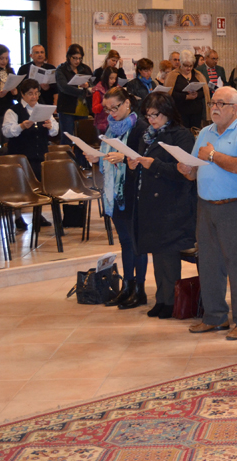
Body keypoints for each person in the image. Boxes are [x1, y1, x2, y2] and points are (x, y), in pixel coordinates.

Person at [178, 87, 237, 340]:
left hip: (236, 207)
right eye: (212, 102)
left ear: (235, 108)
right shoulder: (205, 132)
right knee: (209, 264)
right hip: (206, 207)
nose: (214, 107)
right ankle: (214, 317)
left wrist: (212, 155)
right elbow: (193, 171)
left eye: (221, 103)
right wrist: (185, 168)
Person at [124, 92, 196, 319]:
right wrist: (133, 164)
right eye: (148, 115)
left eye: (155, 115)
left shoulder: (181, 135)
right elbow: (141, 161)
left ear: (167, 113)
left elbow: (182, 171)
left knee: (169, 254)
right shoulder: (146, 135)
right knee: (157, 252)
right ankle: (161, 298)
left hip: (172, 201)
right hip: (149, 200)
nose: (151, 119)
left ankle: (171, 300)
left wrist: (153, 164)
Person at [87, 87, 148, 309]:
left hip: (133, 192)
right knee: (125, 243)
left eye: (116, 108)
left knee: (136, 243)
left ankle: (139, 290)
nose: (111, 113)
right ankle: (127, 286)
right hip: (115, 193)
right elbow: (107, 157)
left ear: (127, 104)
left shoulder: (140, 127)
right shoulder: (110, 130)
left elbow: (145, 160)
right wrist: (97, 156)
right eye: (107, 109)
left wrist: (123, 157)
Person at [2, 78, 58, 181]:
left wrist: (51, 127)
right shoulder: (13, 111)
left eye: (36, 93)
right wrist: (21, 127)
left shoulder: (44, 109)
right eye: (30, 93)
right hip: (20, 160)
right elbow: (6, 131)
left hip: (41, 157)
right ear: (22, 94)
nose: (34, 97)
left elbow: (55, 130)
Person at [55, 44, 93, 146]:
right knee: (67, 138)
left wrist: (87, 85)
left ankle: (81, 161)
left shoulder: (85, 68)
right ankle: (66, 161)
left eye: (80, 58)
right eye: (74, 58)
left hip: (83, 108)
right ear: (68, 57)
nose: (77, 61)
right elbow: (64, 87)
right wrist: (82, 91)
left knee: (83, 139)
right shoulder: (61, 69)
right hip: (67, 108)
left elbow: (93, 84)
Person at [167, 49, 210, 130]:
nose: (188, 68)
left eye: (190, 66)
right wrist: (185, 97)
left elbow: (204, 92)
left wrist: (197, 95)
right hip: (180, 112)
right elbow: (170, 93)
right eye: (185, 66)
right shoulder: (173, 75)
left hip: (196, 112)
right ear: (181, 63)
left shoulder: (198, 75)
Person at [91, 69, 119, 134]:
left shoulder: (117, 88)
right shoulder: (98, 90)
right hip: (102, 124)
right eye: (111, 78)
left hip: (115, 123)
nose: (113, 81)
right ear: (106, 77)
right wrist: (103, 104)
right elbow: (94, 109)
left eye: (115, 78)